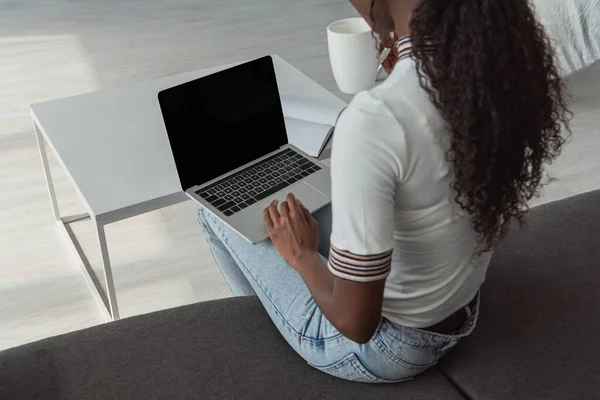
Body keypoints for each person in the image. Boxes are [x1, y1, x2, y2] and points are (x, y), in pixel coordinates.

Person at [198, 0, 571, 383]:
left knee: (212, 210)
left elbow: (356, 324)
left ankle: (254, 329)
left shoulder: (376, 117)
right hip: (459, 307)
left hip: (386, 346)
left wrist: (303, 256)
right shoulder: (496, 66)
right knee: (312, 201)